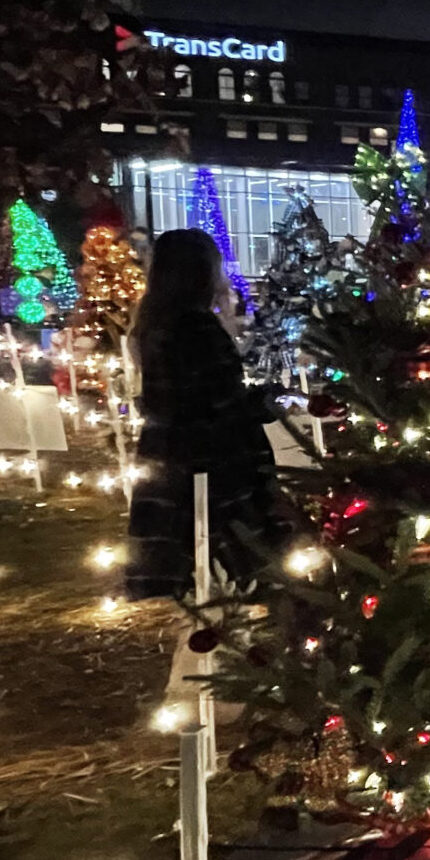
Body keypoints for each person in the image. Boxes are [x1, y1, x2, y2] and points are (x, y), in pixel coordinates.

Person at [124, 228, 282, 604]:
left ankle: (199, 588)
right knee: (237, 527)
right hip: (213, 449)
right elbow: (219, 397)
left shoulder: (154, 322)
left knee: (188, 529)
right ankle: (253, 582)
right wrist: (263, 402)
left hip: (169, 444)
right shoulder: (196, 326)